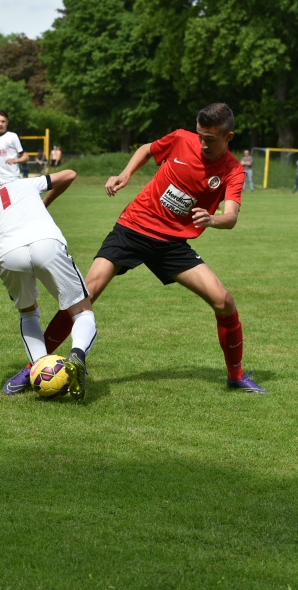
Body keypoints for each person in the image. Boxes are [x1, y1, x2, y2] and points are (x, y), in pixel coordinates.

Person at [40, 103, 266, 393]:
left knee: (224, 302)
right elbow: (147, 149)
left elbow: (231, 217)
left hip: (171, 244)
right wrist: (126, 174)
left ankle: (236, 376)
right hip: (133, 227)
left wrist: (213, 219)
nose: (202, 143)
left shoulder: (233, 170)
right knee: (85, 293)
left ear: (229, 137)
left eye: (210, 139)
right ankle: (35, 365)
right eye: (200, 136)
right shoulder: (181, 138)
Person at [0, 170, 96, 401]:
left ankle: (42, 371)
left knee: (28, 313)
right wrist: (46, 202)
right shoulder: (22, 183)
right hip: (46, 242)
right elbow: (70, 174)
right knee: (82, 311)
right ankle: (77, 354)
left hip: (9, 254)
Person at [0, 111, 28, 186]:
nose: (0, 124)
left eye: (3, 121)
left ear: (7, 122)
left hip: (11, 178)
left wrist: (15, 160)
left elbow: (26, 157)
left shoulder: (13, 136)